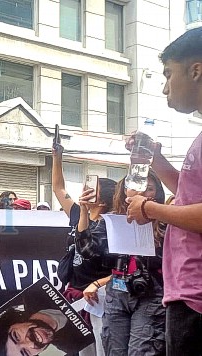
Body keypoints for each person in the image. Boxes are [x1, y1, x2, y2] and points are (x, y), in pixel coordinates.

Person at [124, 27, 202, 355]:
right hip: (187, 291)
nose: (165, 87)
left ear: (196, 70)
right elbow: (190, 196)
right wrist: (156, 159)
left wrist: (149, 209)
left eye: (169, 75)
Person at [52, 142, 116, 356]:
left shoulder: (111, 227)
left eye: (93, 190)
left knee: (97, 350)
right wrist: (57, 157)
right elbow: (59, 189)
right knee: (75, 350)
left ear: (104, 201)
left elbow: (87, 247)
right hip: (73, 295)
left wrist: (98, 285)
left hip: (96, 298)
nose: (86, 191)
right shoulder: (80, 213)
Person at [96, 175, 166, 355]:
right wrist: (83, 212)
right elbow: (90, 256)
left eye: (149, 188)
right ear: (125, 191)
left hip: (152, 295)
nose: (142, 193)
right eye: (137, 187)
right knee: (114, 350)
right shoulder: (111, 220)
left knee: (141, 351)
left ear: (157, 193)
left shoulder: (165, 222)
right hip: (117, 293)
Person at [0, 306, 75, 355]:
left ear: (15, 322)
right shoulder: (73, 345)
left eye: (16, 336)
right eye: (25, 353)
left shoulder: (35, 291)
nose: (31, 344)